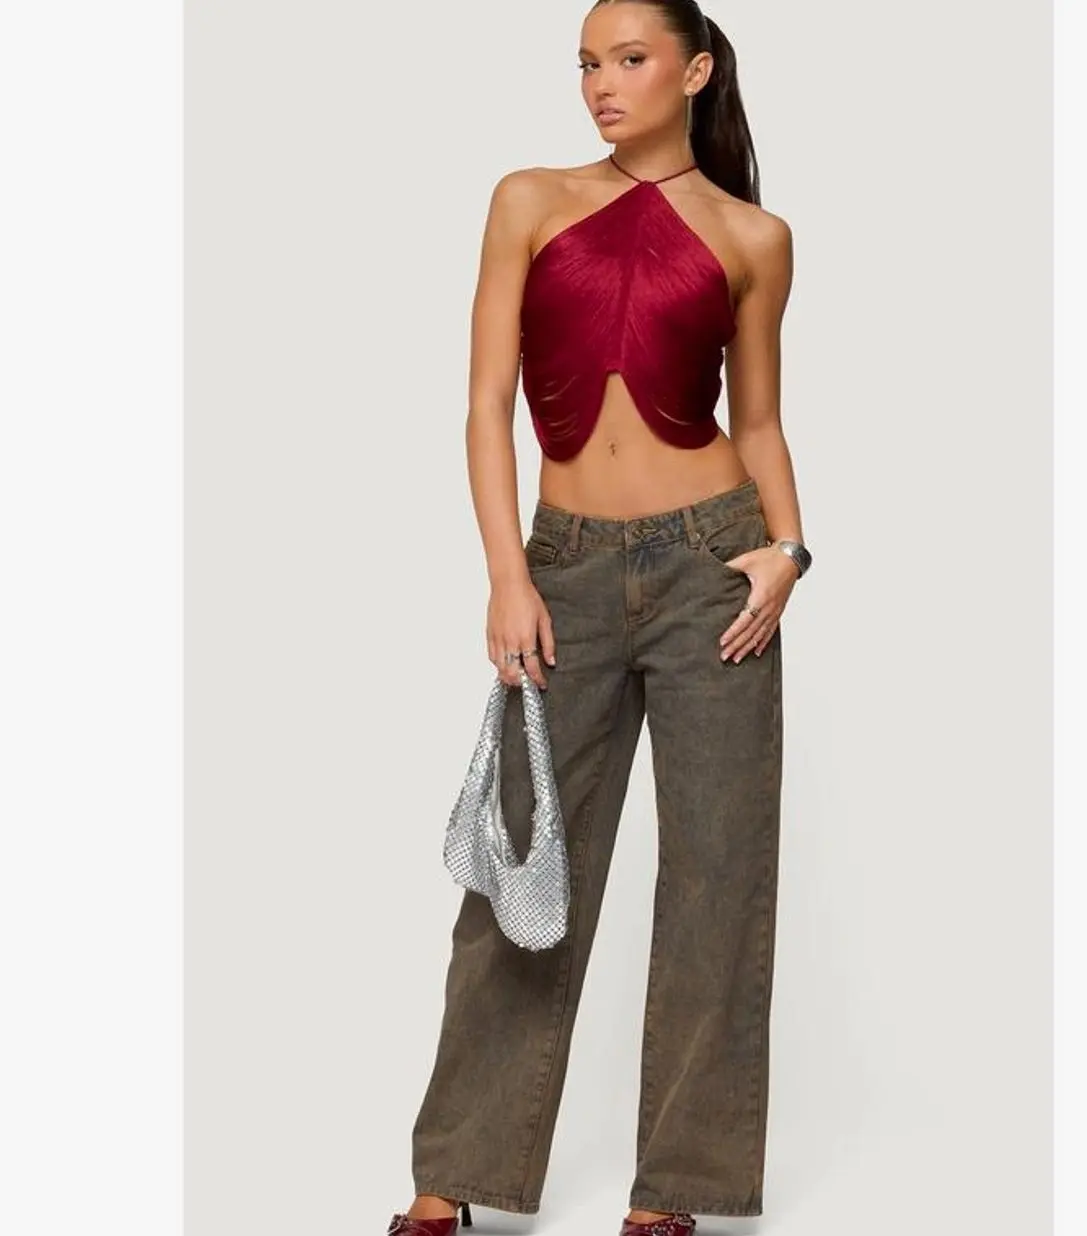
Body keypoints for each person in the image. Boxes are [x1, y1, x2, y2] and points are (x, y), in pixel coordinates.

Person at [387, 2, 811, 1234]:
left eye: (629, 59)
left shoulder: (754, 236)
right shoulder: (529, 199)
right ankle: (455, 1170)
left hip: (715, 569)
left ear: (696, 70)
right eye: (586, 62)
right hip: (563, 568)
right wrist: (507, 574)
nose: (601, 84)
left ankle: (679, 1187)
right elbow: (485, 404)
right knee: (527, 862)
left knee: (720, 875)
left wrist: (788, 553)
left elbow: (761, 420)